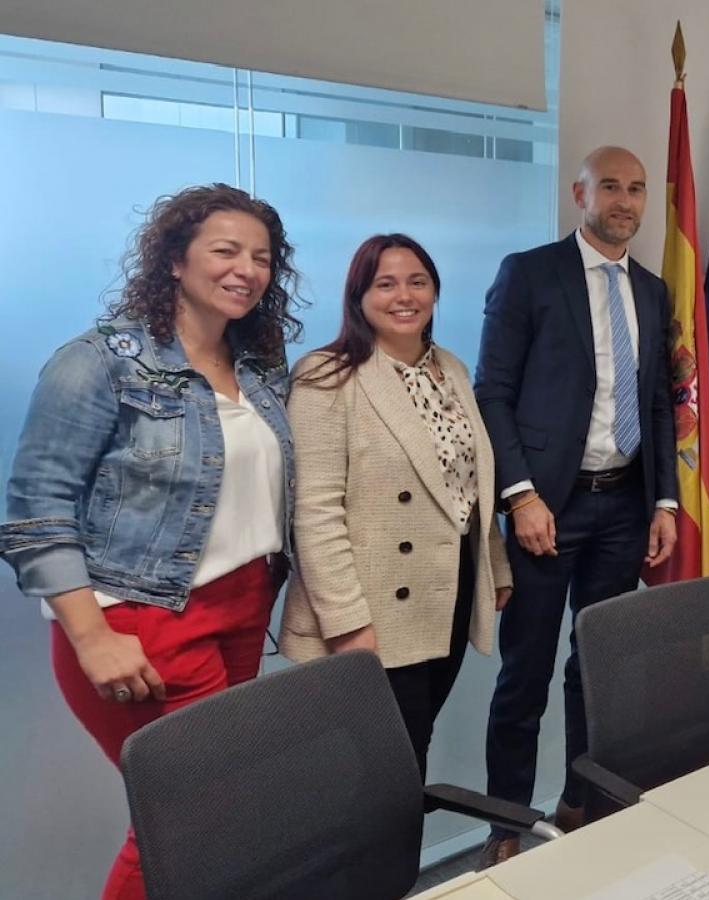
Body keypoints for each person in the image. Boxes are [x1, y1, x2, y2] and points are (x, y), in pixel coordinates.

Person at [1, 184, 299, 900]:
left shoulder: (259, 367)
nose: (246, 270)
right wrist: (91, 637)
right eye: (225, 251)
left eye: (261, 257)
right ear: (174, 259)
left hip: (243, 609)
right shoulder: (100, 361)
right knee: (189, 814)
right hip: (141, 618)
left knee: (215, 812)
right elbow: (36, 510)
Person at [475, 146, 678, 861]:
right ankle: (506, 825)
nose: (625, 201)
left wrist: (665, 502)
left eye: (637, 189)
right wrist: (521, 496)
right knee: (525, 673)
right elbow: (492, 392)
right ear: (579, 193)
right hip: (547, 510)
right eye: (610, 187)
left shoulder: (652, 291)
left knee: (598, 667)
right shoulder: (530, 274)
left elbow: (658, 403)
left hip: (624, 507)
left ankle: (579, 803)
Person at [278, 234, 513, 779]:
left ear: (435, 291)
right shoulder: (325, 376)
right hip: (372, 605)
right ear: (358, 296)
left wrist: (495, 566)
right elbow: (315, 513)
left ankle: (399, 838)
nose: (404, 296)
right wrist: (346, 624)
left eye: (417, 282)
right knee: (383, 764)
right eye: (385, 284)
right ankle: (380, 842)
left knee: (414, 745)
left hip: (447, 590)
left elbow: (469, 484)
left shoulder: (451, 369)